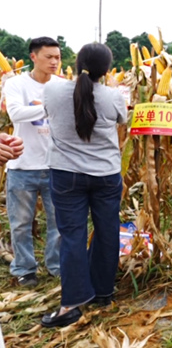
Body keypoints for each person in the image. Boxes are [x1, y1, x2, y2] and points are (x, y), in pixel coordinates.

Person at [40, 43, 127, 328]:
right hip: (106, 175)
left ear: (77, 64)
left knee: (72, 236)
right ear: (106, 69)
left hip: (66, 174)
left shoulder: (52, 90)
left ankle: (71, 304)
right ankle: (103, 292)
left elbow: (50, 113)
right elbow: (122, 119)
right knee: (107, 231)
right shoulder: (113, 96)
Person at [3, 36, 63, 287]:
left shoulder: (63, 85)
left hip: (55, 165)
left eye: (57, 57)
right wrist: (50, 107)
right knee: (20, 224)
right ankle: (25, 268)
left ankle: (56, 265)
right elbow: (16, 113)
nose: (54, 62)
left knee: (58, 223)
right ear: (33, 57)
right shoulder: (16, 84)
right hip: (22, 165)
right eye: (49, 57)